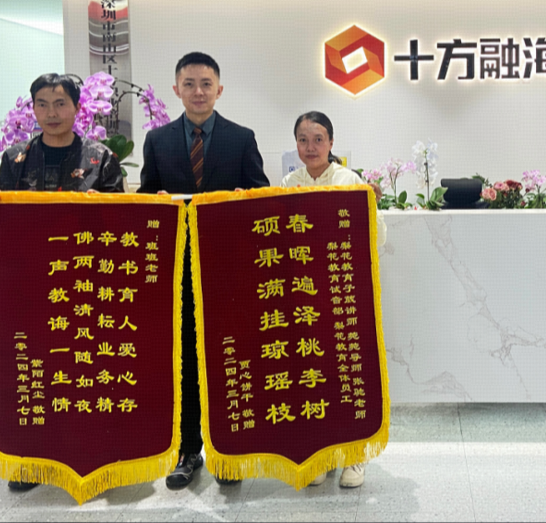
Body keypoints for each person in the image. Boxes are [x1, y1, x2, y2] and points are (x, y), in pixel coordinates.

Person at [0, 73, 124, 492]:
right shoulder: (16, 158)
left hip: (85, 283)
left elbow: (122, 221)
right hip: (30, 284)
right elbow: (4, 220)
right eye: (42, 104)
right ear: (33, 109)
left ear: (77, 108)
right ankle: (30, 458)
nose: (51, 113)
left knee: (85, 367)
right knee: (34, 369)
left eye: (60, 103)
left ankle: (94, 454)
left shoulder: (101, 158)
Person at [139, 52, 269, 490]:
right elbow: (146, 199)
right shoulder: (157, 140)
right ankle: (188, 450)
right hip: (179, 271)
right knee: (187, 360)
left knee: (231, 355)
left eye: (206, 84)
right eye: (190, 84)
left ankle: (232, 449)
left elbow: (261, 197)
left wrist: (243, 199)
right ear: (176, 89)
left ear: (219, 89)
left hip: (229, 269)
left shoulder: (242, 138)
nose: (198, 92)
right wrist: (155, 202)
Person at [281, 111, 386, 488]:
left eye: (318, 139)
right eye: (303, 139)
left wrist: (369, 205)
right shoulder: (288, 184)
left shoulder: (348, 181)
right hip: (303, 295)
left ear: (331, 143)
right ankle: (321, 454)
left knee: (348, 373)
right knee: (312, 374)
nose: (311, 147)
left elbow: (376, 237)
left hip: (343, 293)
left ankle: (354, 456)